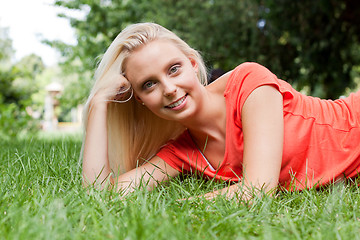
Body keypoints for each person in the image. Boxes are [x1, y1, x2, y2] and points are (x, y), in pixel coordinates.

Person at [82, 22, 360, 200]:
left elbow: (258, 189)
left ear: (192, 63)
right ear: (141, 100)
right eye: (149, 84)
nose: (168, 88)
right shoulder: (181, 152)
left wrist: (180, 205)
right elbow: (100, 193)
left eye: (174, 69)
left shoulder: (249, 84)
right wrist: (97, 104)